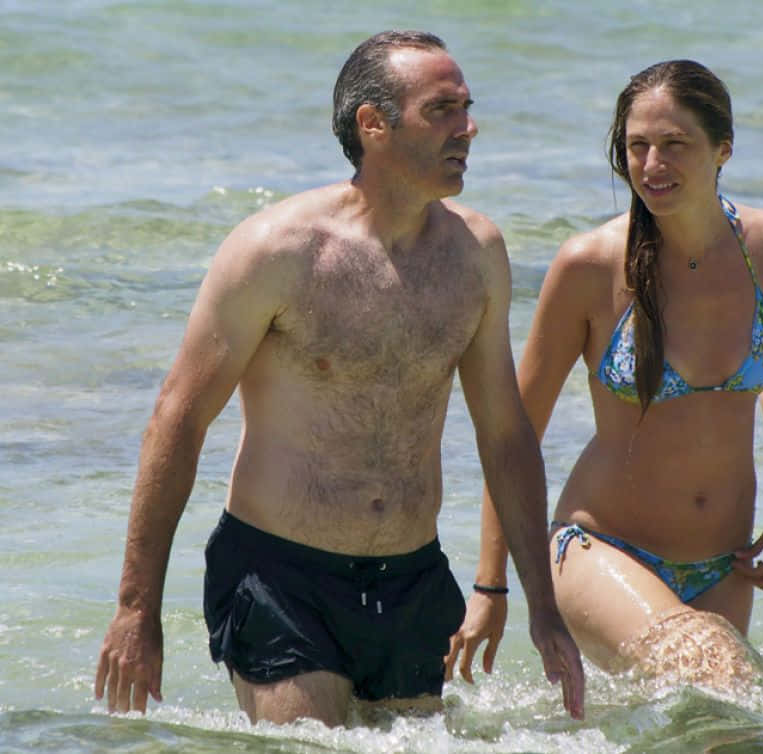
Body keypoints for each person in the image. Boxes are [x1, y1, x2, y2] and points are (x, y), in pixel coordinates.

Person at [93, 30, 584, 726]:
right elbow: (178, 418)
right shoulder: (278, 250)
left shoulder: (477, 253)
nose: (468, 128)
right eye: (441, 109)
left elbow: (504, 434)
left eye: (467, 107)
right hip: (282, 577)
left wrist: (541, 608)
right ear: (373, 124)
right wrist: (136, 610)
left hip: (412, 579)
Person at [446, 59, 763, 686]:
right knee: (724, 677)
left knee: (714, 731)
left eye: (675, 145)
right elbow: (512, 432)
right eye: (636, 147)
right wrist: (492, 585)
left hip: (724, 567)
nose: (651, 166)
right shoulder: (590, 265)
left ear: (723, 148)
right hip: (602, 550)